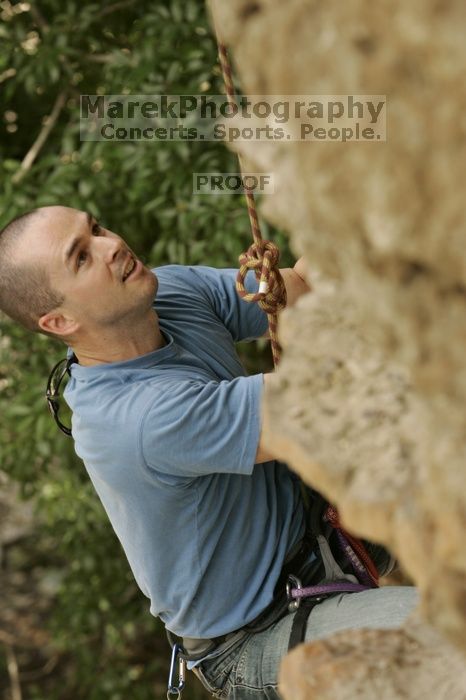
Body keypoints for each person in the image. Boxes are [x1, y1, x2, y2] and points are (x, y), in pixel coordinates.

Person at [0, 205, 418, 699]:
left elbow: (300, 291)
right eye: (82, 257)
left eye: (95, 228)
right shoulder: (139, 420)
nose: (111, 245)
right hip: (259, 639)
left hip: (320, 528)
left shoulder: (168, 293)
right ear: (59, 320)